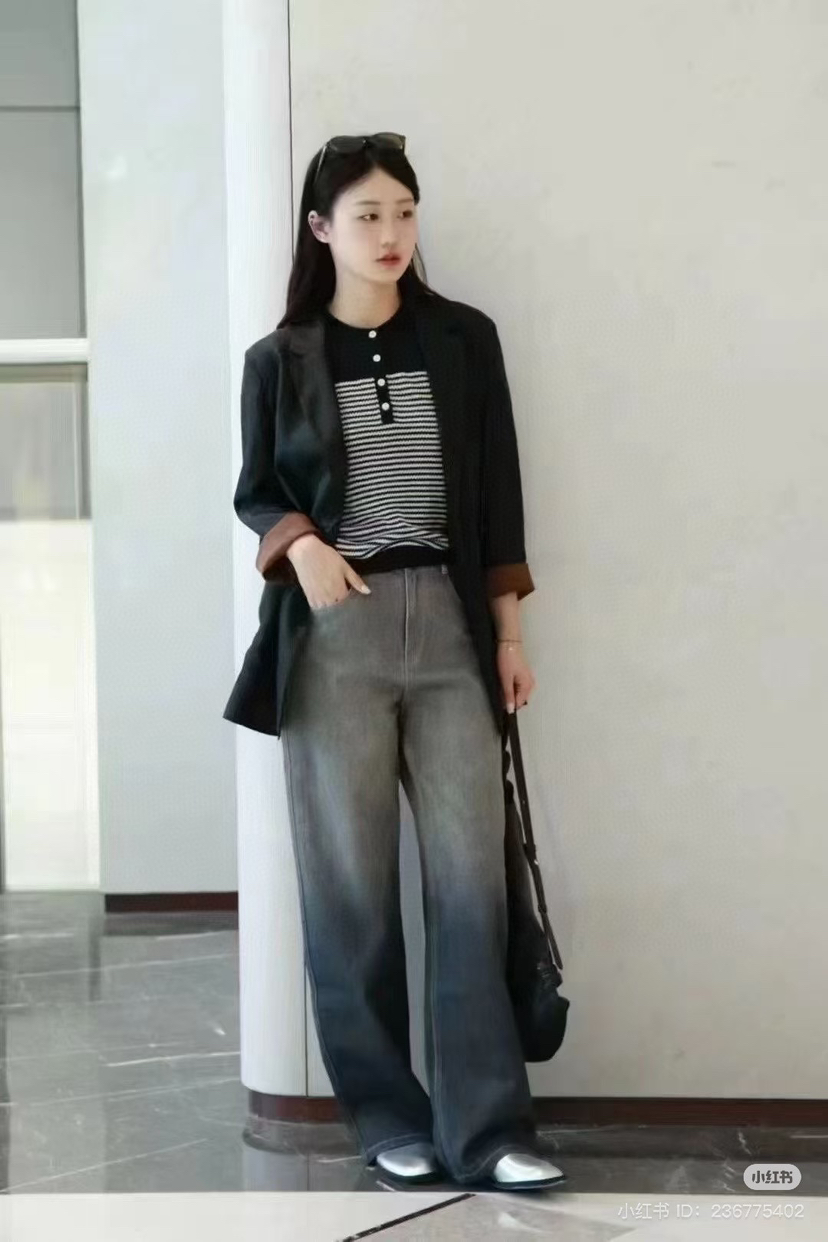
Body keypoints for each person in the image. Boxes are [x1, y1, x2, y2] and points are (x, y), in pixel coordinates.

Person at [225, 133, 565, 1193]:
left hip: (450, 626)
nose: (390, 234)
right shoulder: (280, 359)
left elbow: (499, 496)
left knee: (472, 885)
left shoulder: (463, 339)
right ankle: (385, 1118)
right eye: (367, 215)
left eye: (404, 213)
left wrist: (509, 637)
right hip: (337, 637)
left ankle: (489, 1130)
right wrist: (301, 546)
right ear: (321, 229)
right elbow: (256, 492)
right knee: (351, 893)